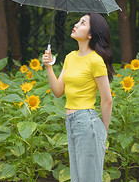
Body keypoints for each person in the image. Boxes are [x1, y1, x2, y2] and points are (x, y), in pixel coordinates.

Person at [42, 13, 114, 182]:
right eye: (78, 21)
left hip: (87, 123)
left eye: (82, 23)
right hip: (71, 121)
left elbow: (107, 99)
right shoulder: (70, 57)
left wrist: (103, 133)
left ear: (90, 34)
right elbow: (58, 91)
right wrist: (48, 67)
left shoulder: (96, 61)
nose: (76, 24)